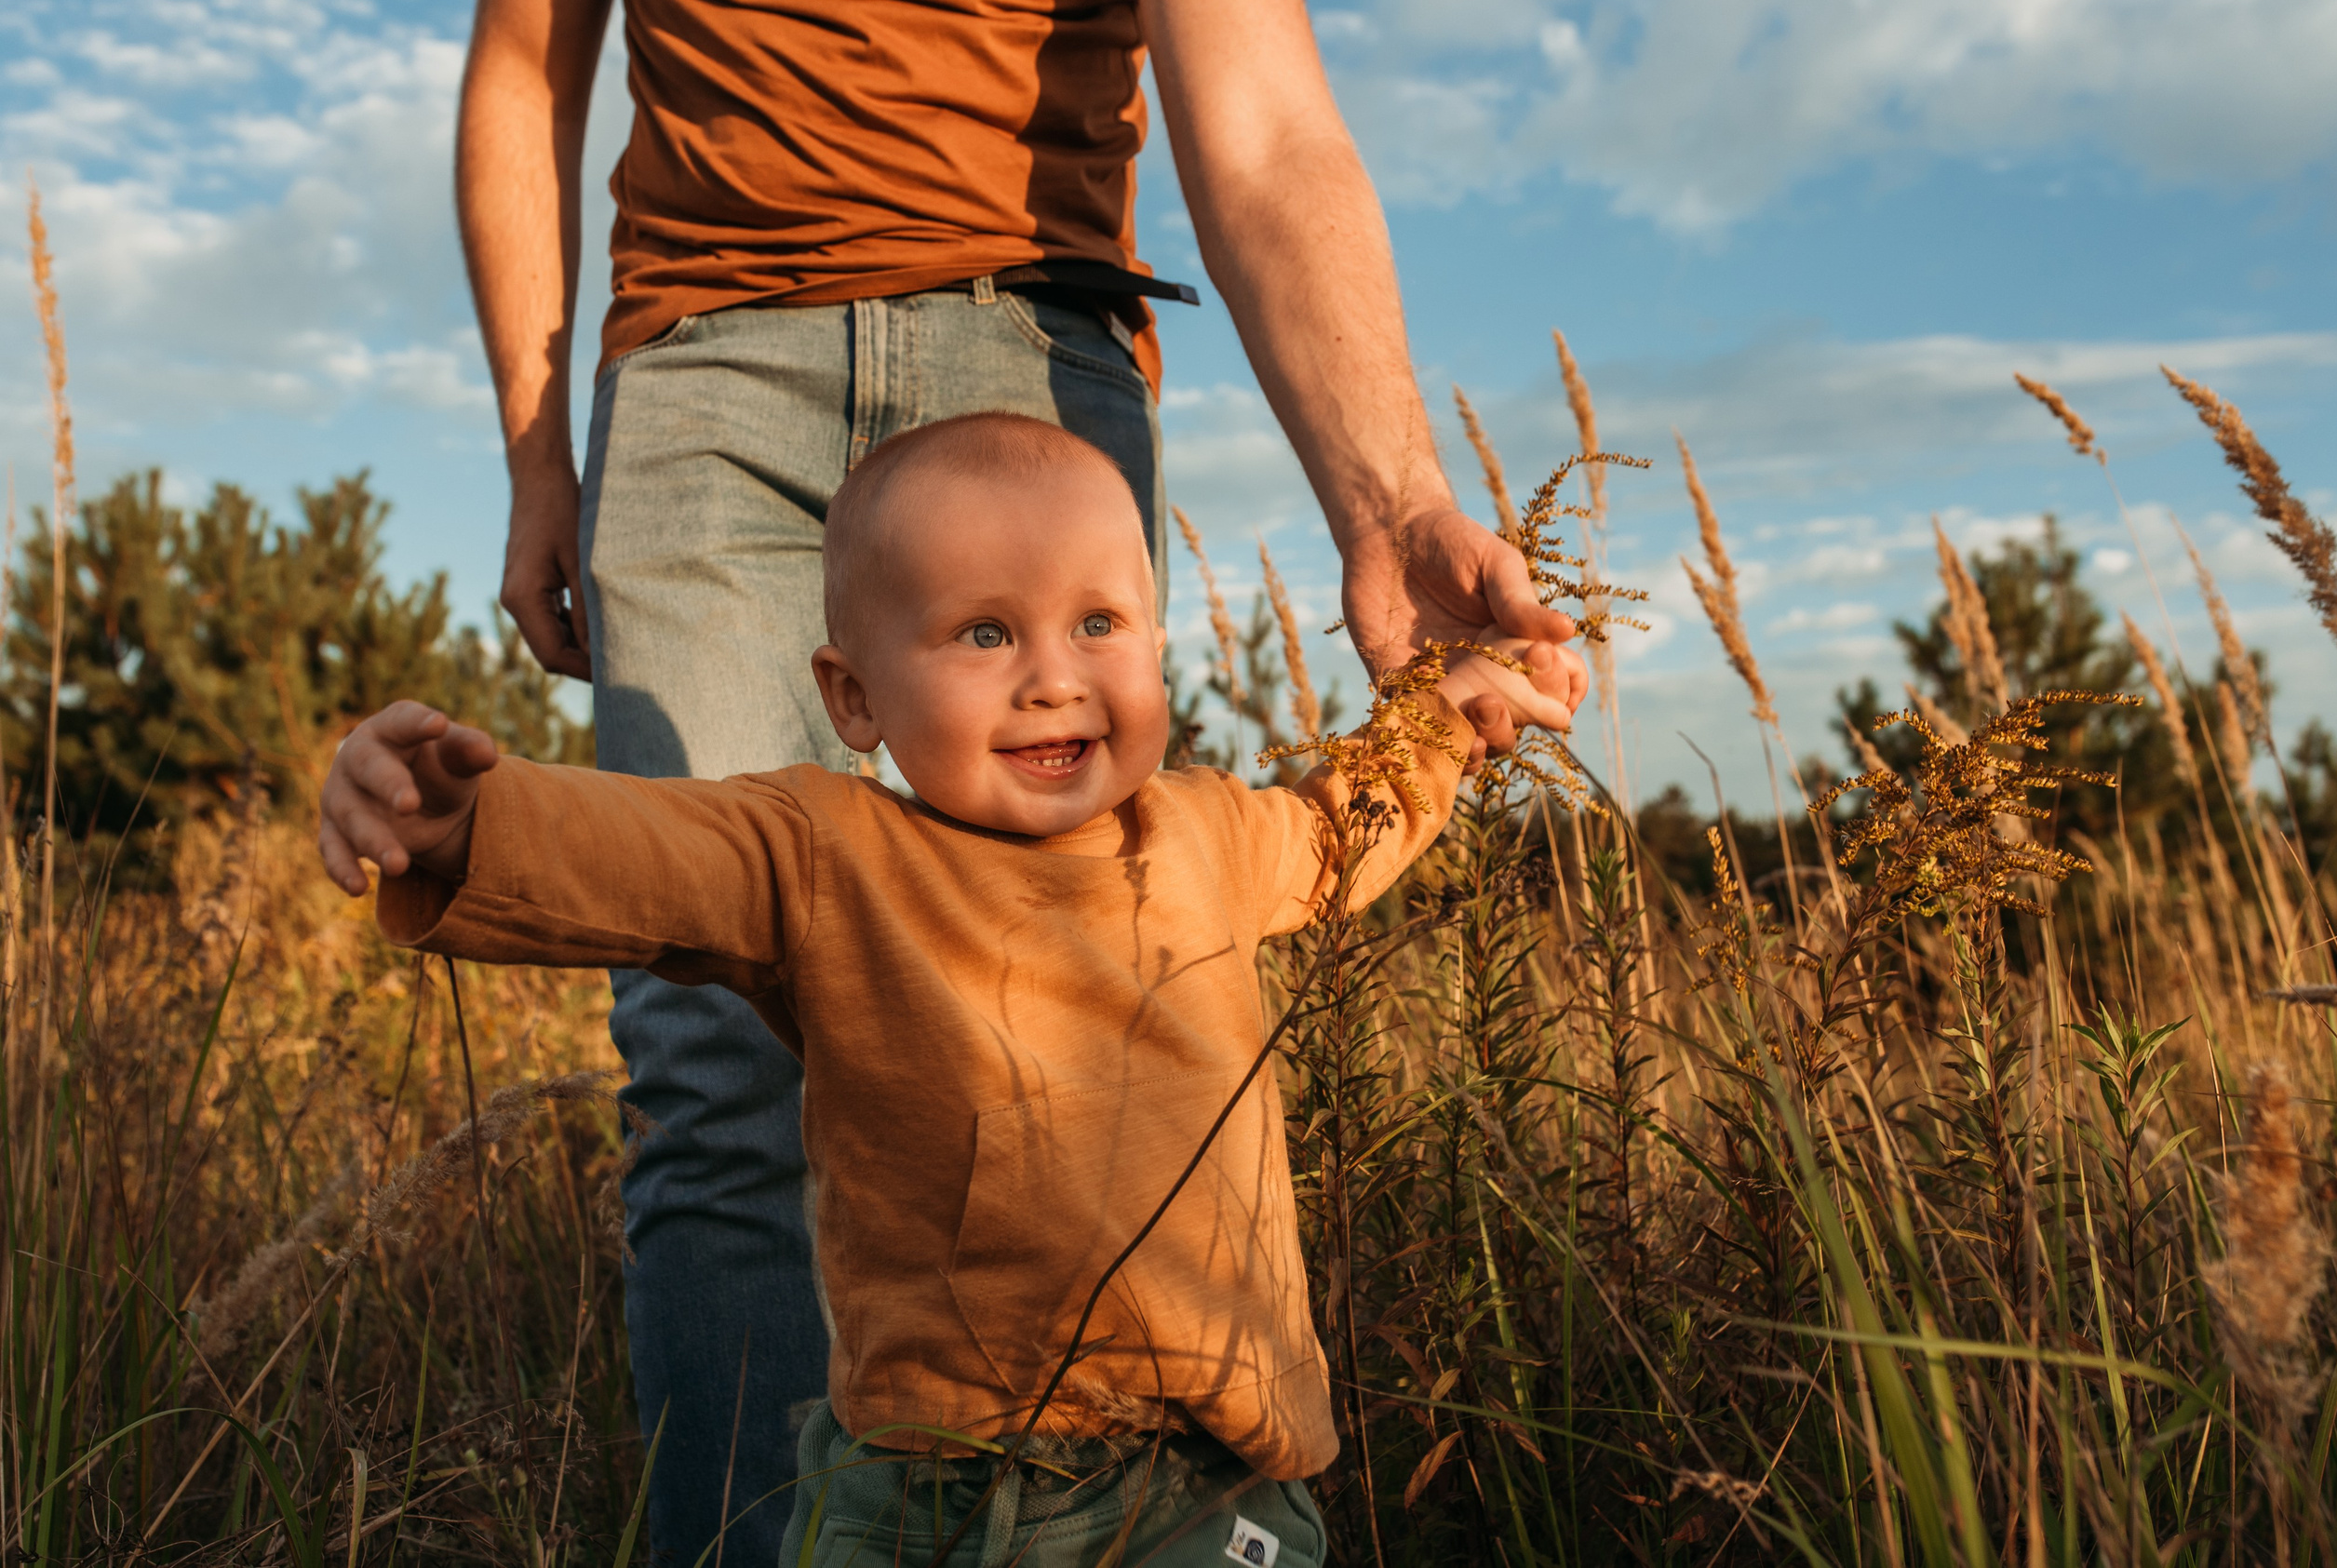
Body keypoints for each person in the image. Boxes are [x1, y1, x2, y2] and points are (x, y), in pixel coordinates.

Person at [455, 0, 1582, 1557]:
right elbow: (525, 62)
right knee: (713, 1064)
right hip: (703, 377)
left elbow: (1260, 118)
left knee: (1081, 1003)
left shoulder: (1203, 815)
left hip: (1037, 349)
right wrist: (533, 456)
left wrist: (1392, 496)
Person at [318, 415, 1582, 1565]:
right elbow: (647, 856)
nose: (1052, 675)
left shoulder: (1200, 834)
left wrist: (1445, 721)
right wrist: (464, 822)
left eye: (1099, 624)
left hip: (1204, 1479)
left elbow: (1334, 826)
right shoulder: (828, 854)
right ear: (854, 696)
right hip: (925, 1491)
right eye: (985, 632)